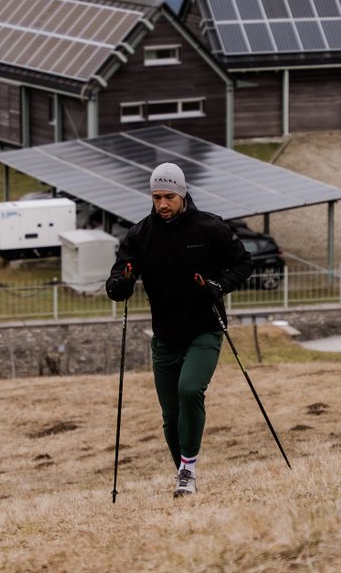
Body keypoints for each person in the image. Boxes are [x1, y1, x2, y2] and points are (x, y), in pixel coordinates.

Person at [106, 162, 253, 498]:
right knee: (171, 417)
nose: (162, 204)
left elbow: (244, 263)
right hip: (166, 337)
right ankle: (185, 475)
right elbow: (116, 284)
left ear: (182, 194)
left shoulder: (209, 227)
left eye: (168, 196)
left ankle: (187, 470)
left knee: (189, 391)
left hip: (205, 328)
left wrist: (218, 286)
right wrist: (122, 282)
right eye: (156, 197)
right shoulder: (140, 235)